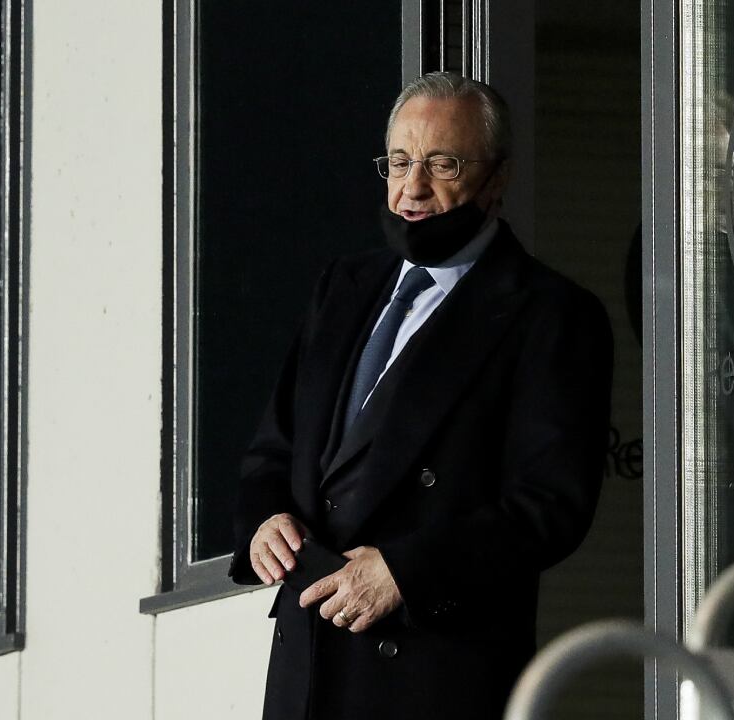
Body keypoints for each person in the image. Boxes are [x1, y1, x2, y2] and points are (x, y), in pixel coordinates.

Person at [228, 72, 613, 720]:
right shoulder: (342, 286)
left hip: (435, 674)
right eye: (400, 162)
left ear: (497, 178)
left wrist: (405, 571)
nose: (413, 187)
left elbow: (551, 506)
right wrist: (263, 522)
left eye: (443, 163)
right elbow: (274, 450)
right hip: (308, 669)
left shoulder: (551, 313)